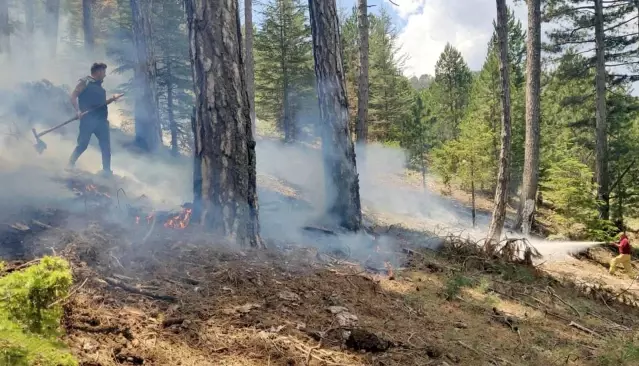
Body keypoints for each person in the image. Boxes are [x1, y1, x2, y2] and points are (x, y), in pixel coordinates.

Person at [67, 62, 119, 177]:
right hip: (88, 120)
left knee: (105, 146)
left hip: (101, 121)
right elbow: (73, 96)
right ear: (98, 72)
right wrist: (78, 111)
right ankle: (70, 164)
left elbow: (100, 104)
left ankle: (106, 171)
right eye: (104, 72)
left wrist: (111, 99)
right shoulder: (85, 82)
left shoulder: (100, 87)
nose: (105, 75)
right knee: (83, 144)